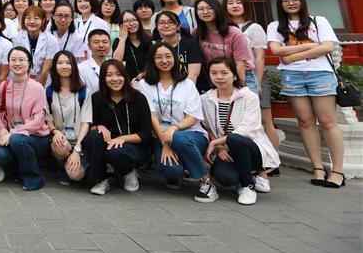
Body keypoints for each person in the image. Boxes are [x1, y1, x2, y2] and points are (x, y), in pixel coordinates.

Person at [266, 0, 344, 188]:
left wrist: (293, 56)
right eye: (286, 1)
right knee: (305, 121)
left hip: (320, 74)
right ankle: (318, 168)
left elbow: (328, 47)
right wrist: (310, 46)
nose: (291, 3)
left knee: (328, 122)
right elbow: (276, 50)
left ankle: (337, 171)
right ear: (280, 5)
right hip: (292, 76)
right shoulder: (275, 26)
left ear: (302, 1)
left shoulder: (318, 21)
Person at [136, 42, 216, 202]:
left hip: (190, 135)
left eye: (168, 56)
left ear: (175, 59)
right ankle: (179, 172)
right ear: (152, 60)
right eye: (158, 57)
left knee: (179, 138)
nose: (164, 60)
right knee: (171, 170)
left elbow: (192, 118)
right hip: (162, 137)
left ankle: (206, 182)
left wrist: (174, 129)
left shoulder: (187, 84)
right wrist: (165, 143)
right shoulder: (144, 84)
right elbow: (151, 116)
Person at [201, 57, 278, 205]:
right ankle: (246, 178)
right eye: (214, 73)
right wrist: (219, 146)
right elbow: (207, 126)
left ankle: (248, 186)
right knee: (226, 178)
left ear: (235, 75)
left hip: (251, 148)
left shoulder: (249, 97)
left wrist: (217, 142)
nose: (219, 77)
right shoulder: (205, 99)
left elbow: (248, 129)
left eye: (224, 73)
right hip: (226, 150)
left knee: (235, 139)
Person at [83, 59, 153, 195]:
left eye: (118, 74)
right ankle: (101, 179)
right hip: (108, 143)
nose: (115, 79)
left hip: (133, 145)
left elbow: (145, 133)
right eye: (109, 75)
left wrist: (123, 139)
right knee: (92, 136)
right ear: (103, 78)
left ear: (125, 76)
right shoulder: (97, 98)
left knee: (115, 153)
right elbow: (88, 125)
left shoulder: (139, 99)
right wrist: (98, 126)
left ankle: (129, 172)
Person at [224, 0, 280, 154]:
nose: (235, 6)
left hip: (254, 76)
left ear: (245, 6)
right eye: (231, 3)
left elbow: (260, 57)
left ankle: (273, 159)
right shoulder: (224, 28)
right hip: (231, 77)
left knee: (264, 120)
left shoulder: (255, 28)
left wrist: (259, 82)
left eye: (238, 3)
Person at [0, 47, 52, 190]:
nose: (17, 63)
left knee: (17, 140)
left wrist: (12, 132)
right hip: (12, 137)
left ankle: (35, 178)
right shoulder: (5, 86)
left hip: (37, 138)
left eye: (21, 60)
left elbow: (38, 121)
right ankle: (20, 171)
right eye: (13, 60)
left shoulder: (37, 88)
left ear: (30, 63)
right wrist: (1, 130)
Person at [46, 50, 92, 185]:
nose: (64, 66)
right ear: (54, 66)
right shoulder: (48, 91)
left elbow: (86, 122)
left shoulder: (84, 92)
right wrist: (55, 131)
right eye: (60, 63)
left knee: (75, 175)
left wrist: (77, 148)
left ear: (74, 66)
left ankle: (73, 167)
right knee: (58, 145)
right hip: (61, 138)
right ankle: (63, 167)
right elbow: (48, 119)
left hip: (80, 141)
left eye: (68, 63)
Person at [194, 0, 254, 93]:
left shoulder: (234, 32)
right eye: (201, 9)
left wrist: (239, 86)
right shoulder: (196, 33)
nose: (205, 12)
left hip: (242, 76)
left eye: (209, 8)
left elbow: (240, 63)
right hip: (216, 77)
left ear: (217, 9)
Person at [154, 10, 203, 83]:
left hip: (189, 87)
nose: (166, 26)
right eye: (162, 23)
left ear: (178, 25)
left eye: (170, 22)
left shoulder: (190, 43)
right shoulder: (155, 46)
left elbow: (193, 74)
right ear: (157, 27)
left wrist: (182, 92)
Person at [14, 6, 54, 85]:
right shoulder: (17, 38)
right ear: (23, 20)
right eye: (28, 18)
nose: (32, 22)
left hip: (44, 82)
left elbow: (45, 70)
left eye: (36, 18)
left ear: (43, 21)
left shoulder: (51, 40)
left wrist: (39, 90)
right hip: (22, 82)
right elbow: (17, 63)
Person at [112, 10, 152, 81]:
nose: (131, 23)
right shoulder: (118, 41)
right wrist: (122, 40)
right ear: (121, 25)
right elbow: (116, 62)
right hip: (127, 81)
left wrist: (146, 73)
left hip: (147, 79)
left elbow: (152, 61)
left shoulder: (147, 40)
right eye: (127, 21)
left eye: (134, 20)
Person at [77, 30, 111, 95]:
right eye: (96, 42)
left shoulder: (115, 66)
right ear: (89, 46)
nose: (101, 45)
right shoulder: (80, 69)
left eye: (105, 42)